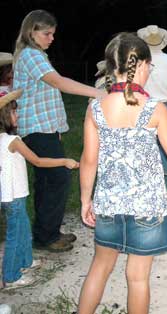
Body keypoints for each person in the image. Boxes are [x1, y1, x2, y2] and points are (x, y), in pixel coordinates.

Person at [78, 32, 167, 313]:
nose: (150, 70)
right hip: (146, 207)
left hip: (109, 203)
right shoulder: (155, 109)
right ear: (140, 66)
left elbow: (89, 160)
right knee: (138, 277)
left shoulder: (95, 108)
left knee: (100, 266)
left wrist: (85, 200)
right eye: (149, 66)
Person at [12, 9, 104, 252]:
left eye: (53, 33)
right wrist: (99, 93)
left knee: (47, 181)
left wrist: (58, 129)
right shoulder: (31, 55)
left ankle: (47, 232)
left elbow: (47, 95)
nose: (52, 38)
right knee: (57, 178)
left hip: (45, 128)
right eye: (47, 33)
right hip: (36, 128)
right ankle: (47, 236)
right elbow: (59, 83)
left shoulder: (37, 54)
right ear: (32, 32)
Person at [0, 90, 79, 289]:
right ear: (4, 117)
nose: (18, 116)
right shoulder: (13, 141)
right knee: (15, 235)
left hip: (12, 196)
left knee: (24, 228)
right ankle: (10, 277)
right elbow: (37, 160)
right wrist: (64, 161)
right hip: (14, 198)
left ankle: (26, 262)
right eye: (14, 113)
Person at [138, 25, 167, 193]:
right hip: (164, 105)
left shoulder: (140, 60)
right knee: (166, 145)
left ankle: (150, 184)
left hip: (144, 105)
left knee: (146, 146)